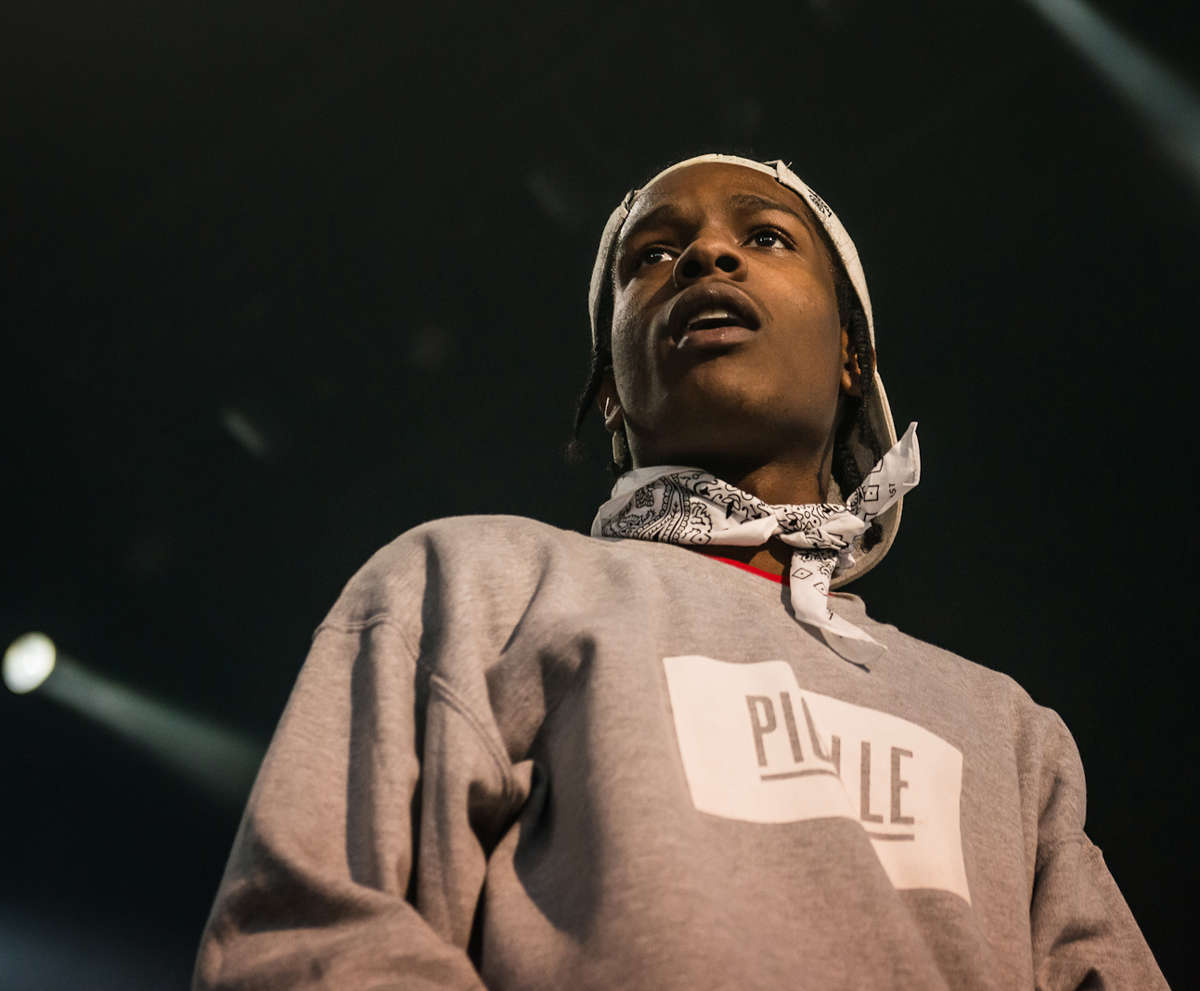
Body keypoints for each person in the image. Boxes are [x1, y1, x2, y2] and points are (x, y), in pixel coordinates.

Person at [193, 153, 1167, 990]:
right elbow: (308, 939)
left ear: (851, 356)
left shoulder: (1008, 730)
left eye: (767, 237)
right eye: (653, 256)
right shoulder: (471, 585)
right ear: (611, 395)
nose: (707, 256)